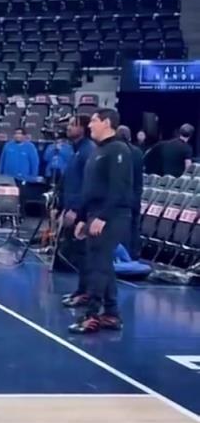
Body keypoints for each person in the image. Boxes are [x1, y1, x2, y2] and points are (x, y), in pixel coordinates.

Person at [68, 108, 133, 335]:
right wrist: (81, 217)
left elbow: (119, 188)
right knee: (102, 264)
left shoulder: (118, 149)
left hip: (112, 215)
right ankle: (112, 314)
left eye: (94, 121)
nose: (89, 125)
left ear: (106, 122)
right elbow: (89, 189)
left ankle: (92, 315)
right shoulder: (97, 151)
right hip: (94, 213)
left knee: (99, 266)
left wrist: (103, 217)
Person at [59, 115, 95, 309]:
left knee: (85, 253)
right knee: (79, 254)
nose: (68, 127)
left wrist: (76, 210)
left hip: (82, 211)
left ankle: (87, 293)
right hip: (71, 206)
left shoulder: (88, 150)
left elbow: (86, 185)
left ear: (83, 128)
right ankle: (81, 290)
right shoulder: (77, 150)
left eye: (73, 125)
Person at [118, 124, 144, 259]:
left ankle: (122, 258)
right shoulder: (138, 152)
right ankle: (133, 256)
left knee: (121, 230)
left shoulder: (116, 152)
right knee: (133, 228)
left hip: (121, 198)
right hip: (135, 196)